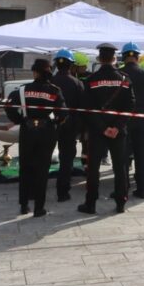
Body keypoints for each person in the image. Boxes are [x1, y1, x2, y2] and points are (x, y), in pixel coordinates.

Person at [5, 59, 64, 217]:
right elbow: (63, 112)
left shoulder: (23, 90)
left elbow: (9, 105)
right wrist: (55, 122)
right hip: (47, 132)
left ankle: (24, 205)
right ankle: (39, 207)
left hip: (28, 131)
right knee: (42, 170)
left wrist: (19, 120)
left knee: (25, 168)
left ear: (35, 72)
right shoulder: (54, 90)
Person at [79, 43, 133, 214]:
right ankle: (120, 203)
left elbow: (87, 109)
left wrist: (102, 128)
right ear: (115, 59)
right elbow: (130, 106)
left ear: (100, 59)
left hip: (97, 131)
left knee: (93, 168)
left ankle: (91, 203)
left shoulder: (91, 80)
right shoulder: (124, 79)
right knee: (120, 167)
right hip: (118, 131)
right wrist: (117, 127)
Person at [119, 42, 144, 199]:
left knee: (122, 157)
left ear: (124, 56)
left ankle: (123, 188)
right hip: (142, 122)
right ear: (137, 57)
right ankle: (142, 189)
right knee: (141, 157)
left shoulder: (119, 74)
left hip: (122, 122)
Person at [51, 49, 85, 202]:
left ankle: (34, 190)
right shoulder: (77, 83)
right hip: (70, 127)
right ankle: (63, 192)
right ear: (71, 65)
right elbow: (82, 108)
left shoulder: (49, 82)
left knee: (44, 158)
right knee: (66, 159)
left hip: (50, 125)